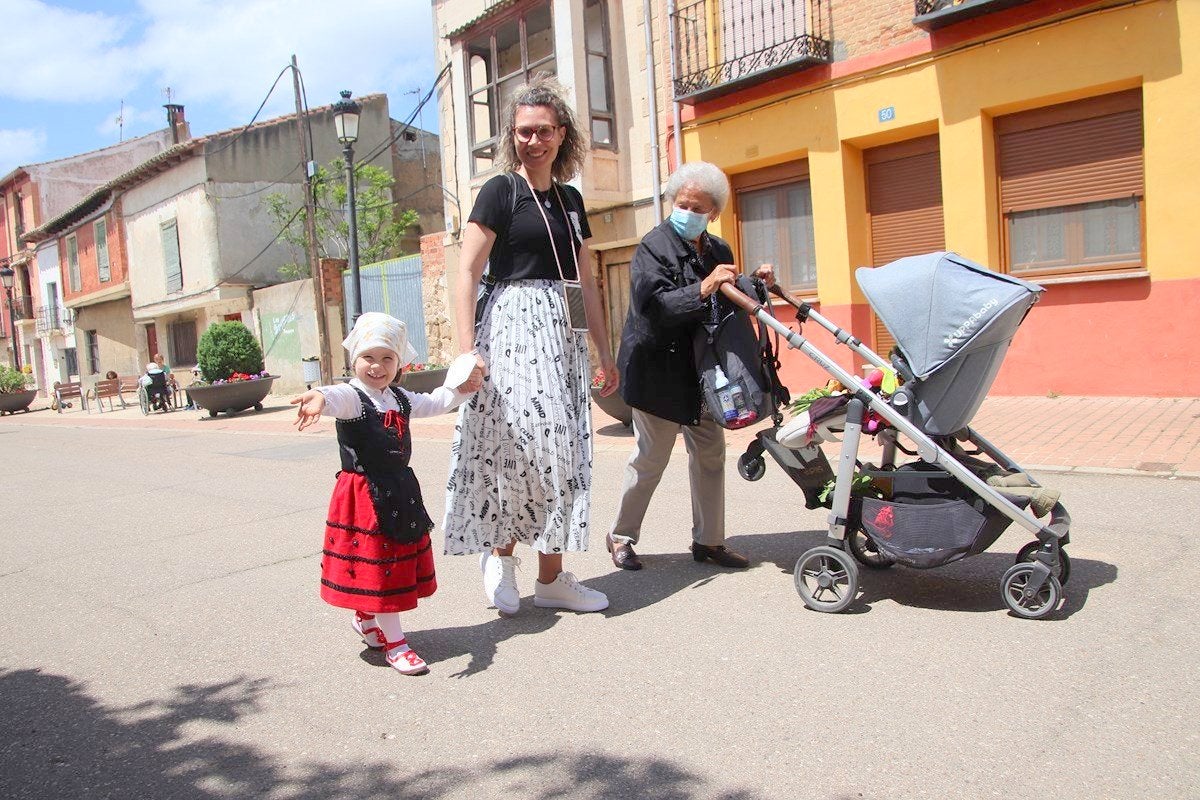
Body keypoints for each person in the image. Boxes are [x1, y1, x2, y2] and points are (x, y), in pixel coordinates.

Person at [443, 74, 619, 615]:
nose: (533, 141)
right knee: (515, 445)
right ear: (511, 137)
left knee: (563, 452)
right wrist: (468, 349)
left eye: (543, 130)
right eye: (523, 132)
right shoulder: (501, 191)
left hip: (561, 337)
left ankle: (552, 579)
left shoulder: (570, 200)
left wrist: (601, 351)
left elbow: (584, 281)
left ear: (562, 133)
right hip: (513, 328)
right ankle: (500, 557)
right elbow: (466, 272)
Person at [292, 312, 483, 675]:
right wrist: (317, 396)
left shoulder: (400, 398)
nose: (377, 367)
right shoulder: (351, 396)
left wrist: (462, 389)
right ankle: (396, 644)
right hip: (364, 496)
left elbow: (436, 401)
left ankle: (366, 617)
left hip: (399, 490)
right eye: (368, 357)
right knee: (384, 566)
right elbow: (333, 396)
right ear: (354, 361)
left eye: (387, 359)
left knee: (389, 563)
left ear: (398, 364)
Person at [607, 161, 775, 571]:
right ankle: (621, 536)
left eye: (696, 207)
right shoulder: (653, 247)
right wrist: (703, 287)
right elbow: (656, 307)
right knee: (651, 458)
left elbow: (727, 295)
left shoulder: (718, 250)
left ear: (713, 213)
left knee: (710, 454)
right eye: (681, 203)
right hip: (657, 372)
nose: (686, 212)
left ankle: (709, 542)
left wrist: (754, 282)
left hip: (706, 373)